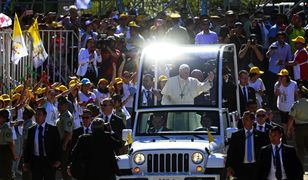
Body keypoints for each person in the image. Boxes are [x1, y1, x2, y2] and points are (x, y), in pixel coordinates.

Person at [226, 111, 269, 180]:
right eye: (243, 119)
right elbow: (231, 152)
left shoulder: (261, 135)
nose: (243, 121)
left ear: (252, 121)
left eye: (246, 119)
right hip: (241, 168)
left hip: (256, 167)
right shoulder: (236, 135)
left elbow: (265, 153)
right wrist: (228, 167)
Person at [23, 107, 61, 180]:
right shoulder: (31, 130)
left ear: (45, 116)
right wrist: (26, 162)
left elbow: (57, 146)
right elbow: (27, 147)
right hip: (35, 161)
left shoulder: (52, 129)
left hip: (49, 161)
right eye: (36, 115)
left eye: (39, 115)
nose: (37, 117)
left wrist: (58, 160)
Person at [287, 85, 308, 168]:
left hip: (299, 129)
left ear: (299, 94)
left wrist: (288, 130)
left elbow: (291, 118)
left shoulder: (296, 104)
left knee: (300, 150)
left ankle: (301, 169)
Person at [56, 97, 73, 180]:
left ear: (66, 105)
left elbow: (68, 132)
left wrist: (64, 144)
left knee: (64, 165)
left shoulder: (67, 116)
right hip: (60, 142)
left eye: (61, 104)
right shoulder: (61, 114)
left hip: (65, 142)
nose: (59, 106)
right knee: (61, 165)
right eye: (59, 104)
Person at [0, 109, 18, 180]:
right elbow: (10, 143)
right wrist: (14, 154)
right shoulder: (6, 128)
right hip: (5, 151)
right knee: (6, 171)